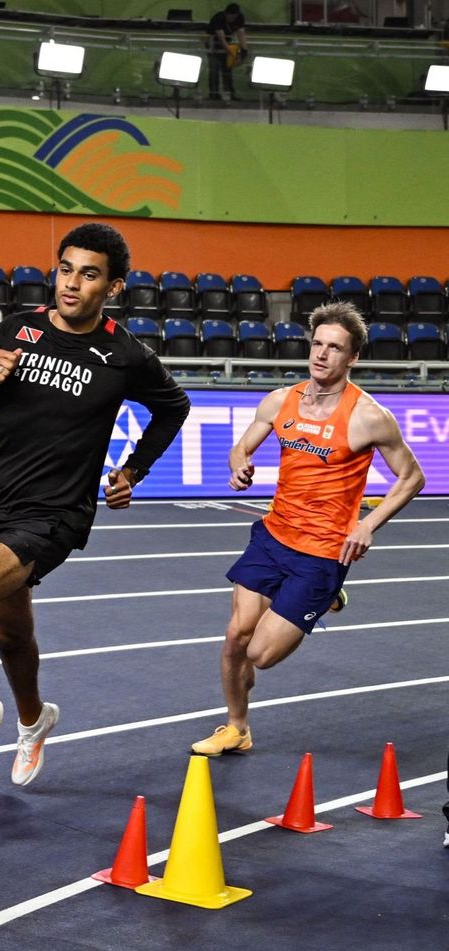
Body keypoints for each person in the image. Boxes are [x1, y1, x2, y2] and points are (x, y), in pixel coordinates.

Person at [0, 223, 190, 793]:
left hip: (54, 516)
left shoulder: (125, 354)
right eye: (65, 269)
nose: (71, 283)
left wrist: (133, 471)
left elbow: (174, 407)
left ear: (112, 287)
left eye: (88, 274)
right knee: (11, 632)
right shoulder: (16, 329)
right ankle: (33, 719)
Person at [190, 303, 426, 757]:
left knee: (260, 655)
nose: (321, 354)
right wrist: (239, 465)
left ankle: (326, 594)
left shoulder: (368, 416)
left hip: (322, 553)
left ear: (352, 357)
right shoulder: (281, 400)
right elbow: (241, 447)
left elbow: (413, 477)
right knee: (236, 637)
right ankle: (237, 728)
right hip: (273, 536)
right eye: (317, 343)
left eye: (334, 348)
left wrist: (368, 524)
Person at [206, 3, 248, 102]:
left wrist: (244, 51)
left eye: (234, 17)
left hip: (228, 43)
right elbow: (221, 39)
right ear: (226, 14)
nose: (232, 19)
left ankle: (229, 93)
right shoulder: (218, 18)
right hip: (213, 44)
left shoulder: (239, 17)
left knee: (227, 71)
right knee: (214, 70)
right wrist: (232, 53)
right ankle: (214, 94)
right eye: (231, 17)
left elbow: (241, 34)